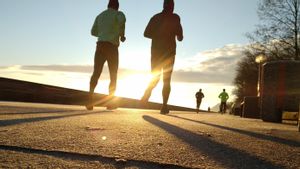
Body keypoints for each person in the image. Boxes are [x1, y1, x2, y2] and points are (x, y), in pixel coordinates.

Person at [141, 0, 183, 114]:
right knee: (166, 80)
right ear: (172, 6)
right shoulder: (175, 18)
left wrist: (158, 34)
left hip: (156, 53)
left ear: (163, 5)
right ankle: (164, 106)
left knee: (156, 77)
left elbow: (146, 33)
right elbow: (180, 38)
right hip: (169, 53)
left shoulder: (155, 17)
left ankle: (147, 92)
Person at [86, 0, 126, 110]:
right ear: (117, 6)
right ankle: (110, 102)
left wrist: (103, 33)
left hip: (100, 46)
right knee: (113, 75)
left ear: (108, 5)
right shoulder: (119, 14)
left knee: (96, 72)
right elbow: (122, 22)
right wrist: (122, 35)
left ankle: (90, 99)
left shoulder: (100, 15)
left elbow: (93, 32)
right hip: (112, 47)